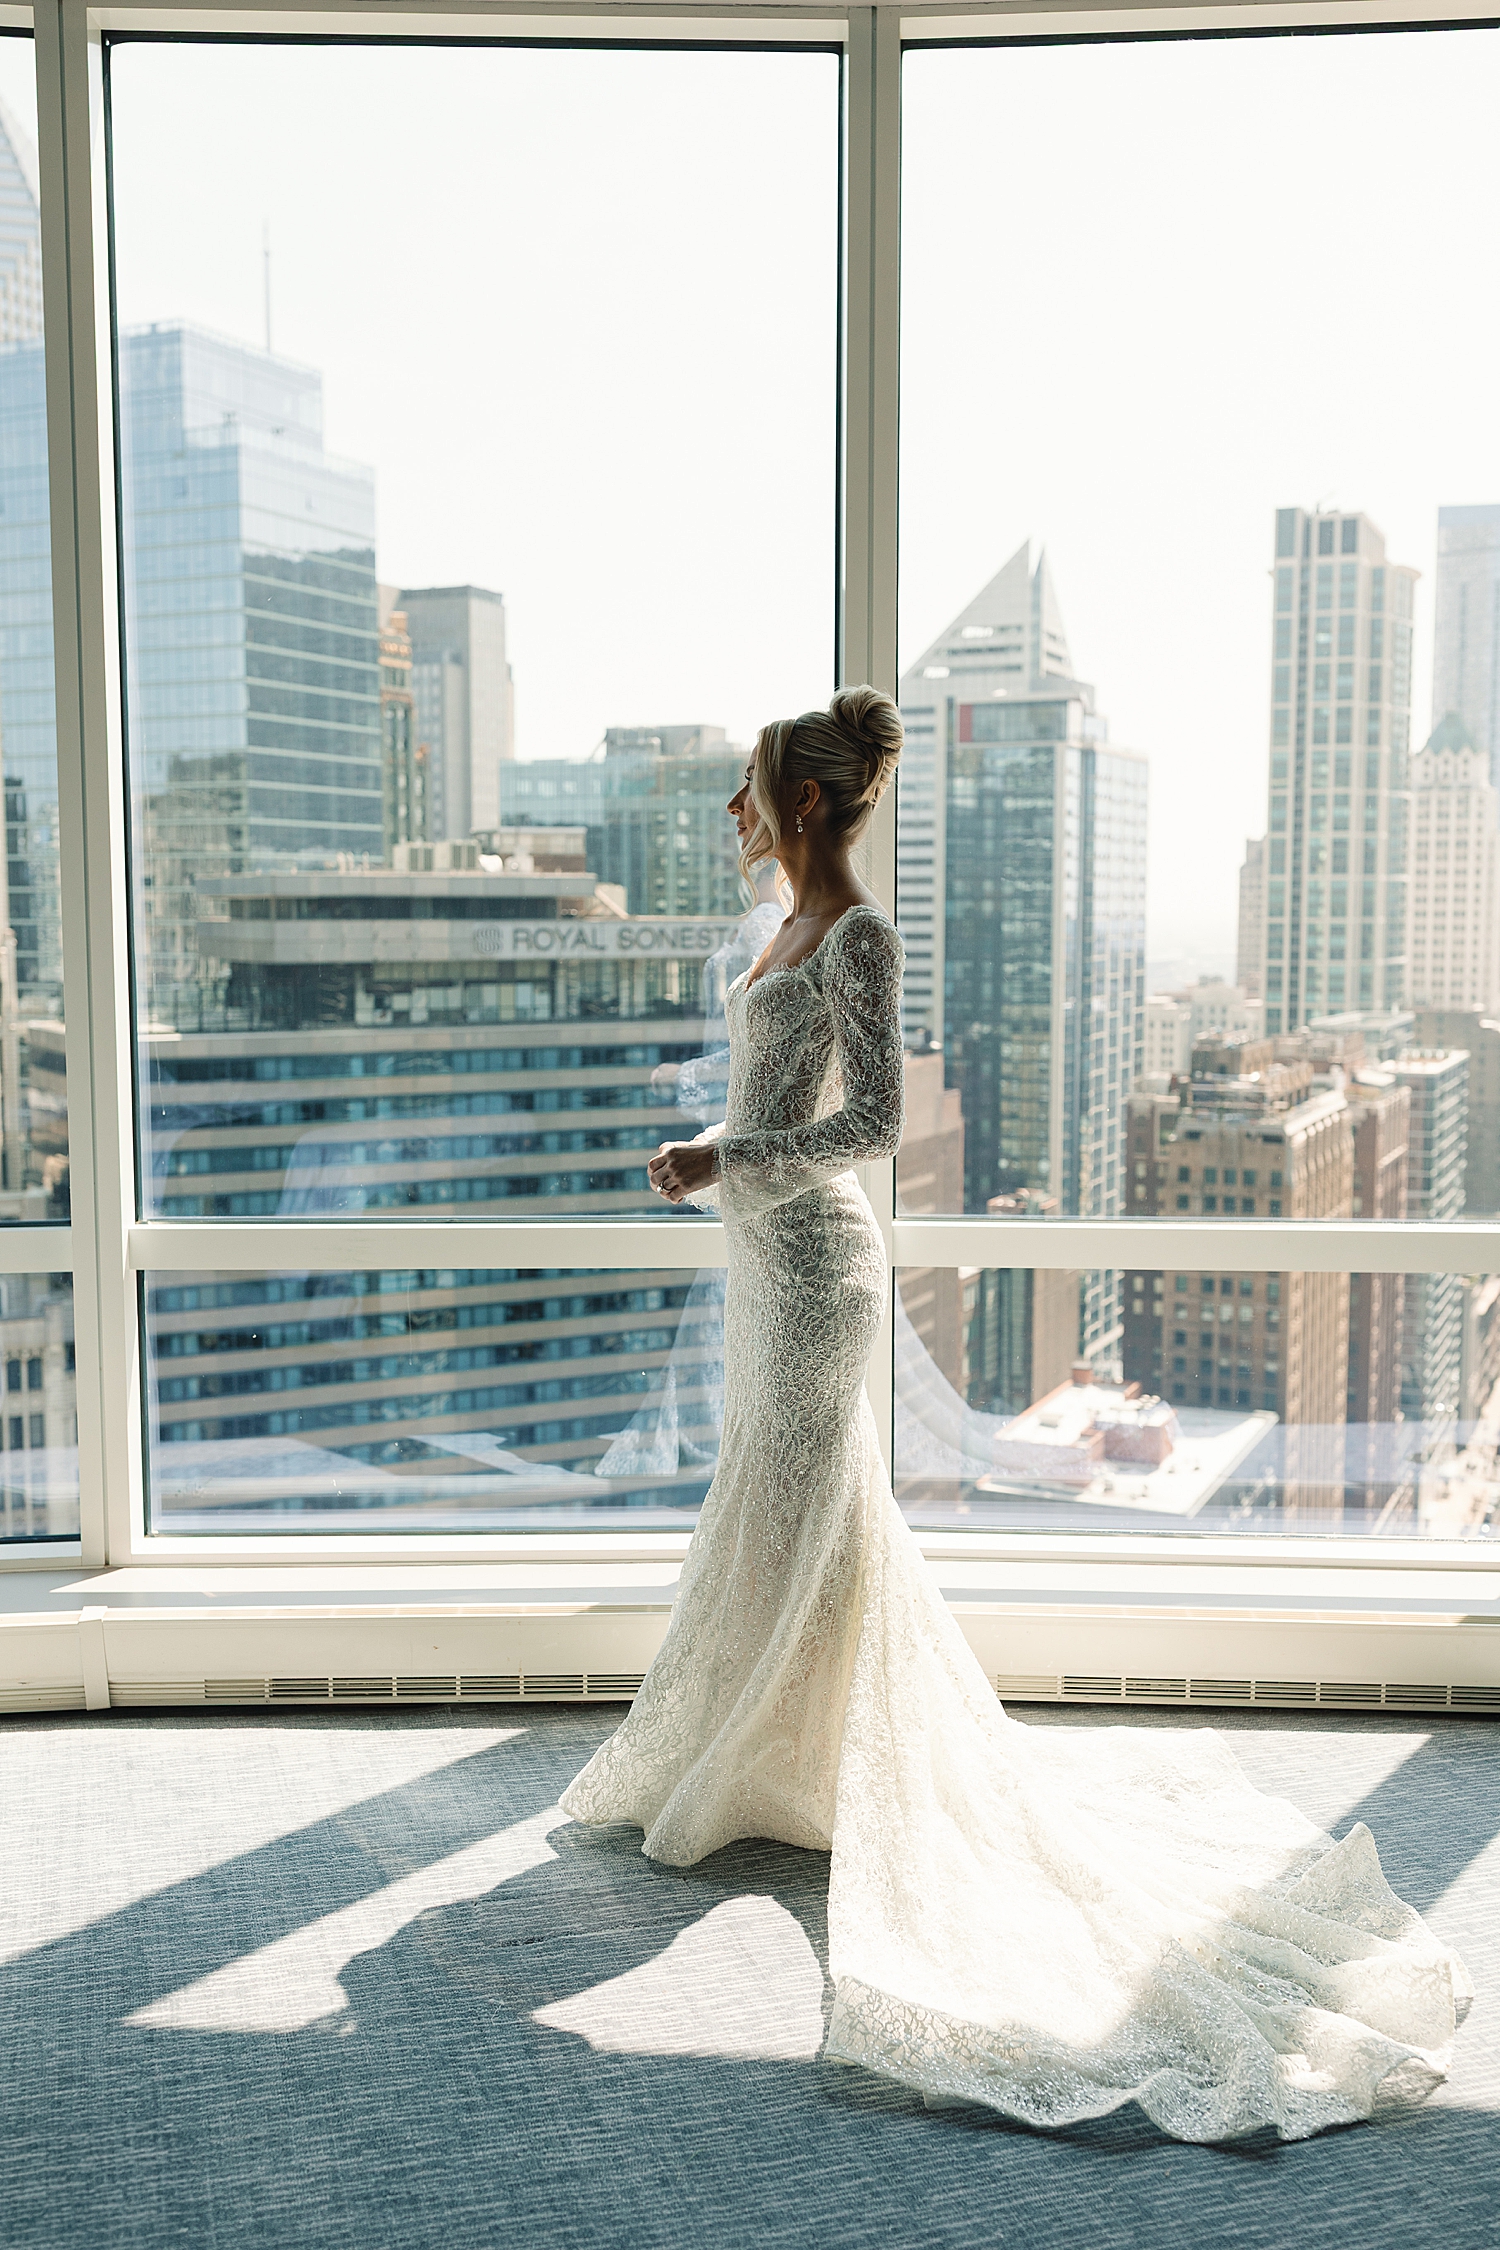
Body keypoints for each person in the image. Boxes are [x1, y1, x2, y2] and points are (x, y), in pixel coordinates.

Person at [561, 685, 1471, 2144]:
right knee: (778, 1503)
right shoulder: (774, 928)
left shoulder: (855, 933)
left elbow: (864, 1129)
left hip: (810, 1270)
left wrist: (723, 1157)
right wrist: (722, 1162)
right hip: (757, 1270)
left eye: (749, 788)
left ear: (804, 803)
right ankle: (759, 1750)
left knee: (802, 1505)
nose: (732, 811)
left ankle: (763, 1753)